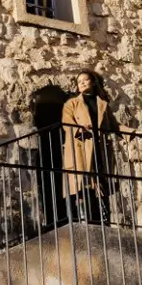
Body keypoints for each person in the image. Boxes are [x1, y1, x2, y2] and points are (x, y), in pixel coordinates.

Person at [59, 70, 117, 224]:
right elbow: (66, 123)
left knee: (100, 186)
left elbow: (115, 126)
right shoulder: (71, 104)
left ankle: (103, 223)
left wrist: (135, 132)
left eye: (86, 80)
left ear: (93, 82)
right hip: (80, 148)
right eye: (80, 82)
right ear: (77, 87)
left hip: (98, 149)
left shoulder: (103, 105)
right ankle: (85, 222)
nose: (83, 83)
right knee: (82, 187)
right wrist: (79, 129)